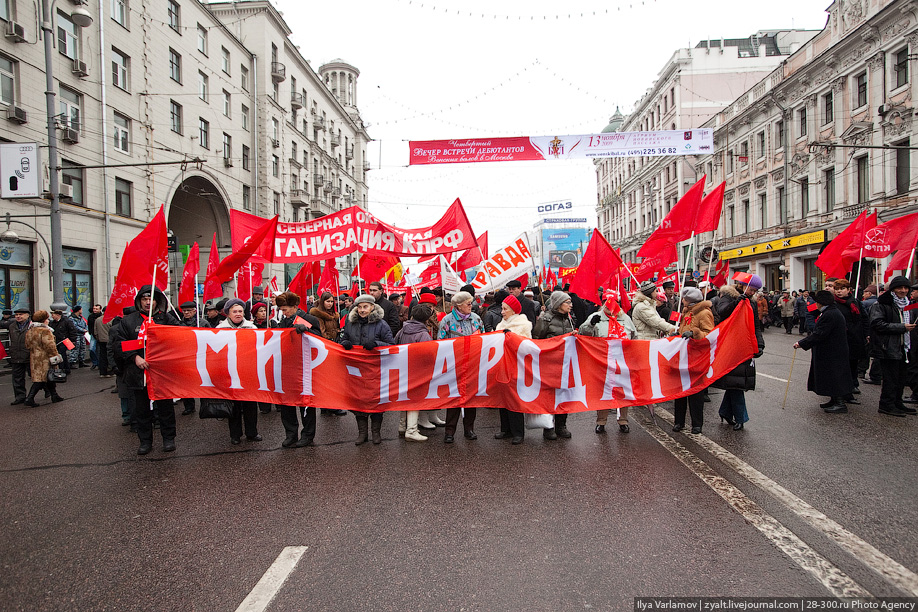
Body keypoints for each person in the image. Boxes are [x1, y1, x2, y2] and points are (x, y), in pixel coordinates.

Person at [113, 285, 181, 455]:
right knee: (141, 410)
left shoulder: (167, 319)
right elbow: (119, 343)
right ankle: (145, 441)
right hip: (138, 373)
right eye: (144, 299)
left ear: (157, 300)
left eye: (151, 299)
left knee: (165, 408)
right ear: (139, 301)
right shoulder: (128, 321)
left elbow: (179, 339)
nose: (147, 302)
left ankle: (168, 439)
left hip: (161, 373)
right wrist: (134, 357)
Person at [579, 290, 636, 434]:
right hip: (602, 361)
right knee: (603, 392)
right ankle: (601, 421)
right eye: (606, 303)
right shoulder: (595, 317)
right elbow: (582, 333)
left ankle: (623, 420)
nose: (610, 306)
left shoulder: (625, 318)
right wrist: (590, 325)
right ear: (603, 304)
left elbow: (635, 336)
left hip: (623, 361)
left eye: (613, 303)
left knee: (623, 391)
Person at [342, 293, 396, 444]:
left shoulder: (381, 324)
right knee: (358, 401)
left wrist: (376, 344)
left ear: (372, 307)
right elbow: (344, 338)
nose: (362, 310)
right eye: (359, 307)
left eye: (365, 307)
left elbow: (391, 345)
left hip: (375, 369)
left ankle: (376, 433)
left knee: (375, 401)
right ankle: (362, 433)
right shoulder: (350, 323)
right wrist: (345, 343)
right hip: (357, 369)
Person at [712, 279, 765, 429]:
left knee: (736, 382)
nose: (753, 293)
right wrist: (736, 303)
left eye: (755, 291)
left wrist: (760, 344)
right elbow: (721, 313)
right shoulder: (728, 296)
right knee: (736, 382)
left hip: (745, 345)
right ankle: (740, 417)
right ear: (743, 286)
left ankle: (726, 412)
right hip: (730, 344)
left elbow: (756, 325)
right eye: (751, 290)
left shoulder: (752, 302)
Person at [795, 290, 854, 413]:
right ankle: (833, 400)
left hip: (833, 351)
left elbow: (819, 334)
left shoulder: (830, 314)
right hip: (831, 350)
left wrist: (801, 343)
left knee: (835, 376)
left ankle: (840, 403)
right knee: (830, 376)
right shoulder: (830, 311)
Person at [437, 291, 485, 443]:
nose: (472, 306)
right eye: (468, 304)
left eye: (471, 303)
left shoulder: (476, 319)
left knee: (471, 399)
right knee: (454, 399)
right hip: (455, 365)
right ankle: (450, 431)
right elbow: (441, 342)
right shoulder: (447, 320)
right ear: (458, 306)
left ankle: (469, 429)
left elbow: (484, 337)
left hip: (473, 364)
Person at [866, 276, 916, 417]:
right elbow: (877, 324)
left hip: (905, 347)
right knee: (890, 379)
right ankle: (886, 405)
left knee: (901, 378)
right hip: (888, 347)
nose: (903, 290)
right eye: (900, 288)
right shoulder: (881, 304)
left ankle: (897, 402)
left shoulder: (908, 304)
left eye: (906, 288)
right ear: (893, 289)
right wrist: (902, 327)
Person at [216, 298, 262, 445]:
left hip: (247, 371)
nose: (238, 314)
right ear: (228, 314)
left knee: (250, 404)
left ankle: (252, 432)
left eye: (240, 311)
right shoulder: (220, 330)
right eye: (234, 311)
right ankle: (235, 435)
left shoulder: (251, 328)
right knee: (234, 406)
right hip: (229, 372)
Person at [533, 290, 577, 440]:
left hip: (565, 364)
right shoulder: (546, 319)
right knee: (550, 396)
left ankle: (561, 426)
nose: (571, 305)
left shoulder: (570, 319)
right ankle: (548, 427)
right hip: (549, 364)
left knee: (563, 395)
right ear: (559, 304)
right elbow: (537, 339)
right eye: (568, 302)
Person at [672, 287, 714, 433]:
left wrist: (694, 333)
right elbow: (683, 329)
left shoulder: (704, 313)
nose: (681, 300)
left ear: (689, 300)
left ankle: (697, 424)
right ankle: (679, 421)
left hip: (696, 357)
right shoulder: (686, 312)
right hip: (683, 355)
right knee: (680, 391)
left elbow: (709, 334)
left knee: (696, 392)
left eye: (683, 298)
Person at [494, 294, 532, 444]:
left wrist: (510, 337)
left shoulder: (523, 325)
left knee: (514, 400)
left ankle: (518, 432)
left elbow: (526, 346)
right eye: (502, 308)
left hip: (516, 366)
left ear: (513, 310)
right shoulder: (501, 324)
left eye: (505, 309)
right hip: (502, 365)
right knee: (502, 399)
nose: (502, 312)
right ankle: (506, 429)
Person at [394, 304, 435, 442]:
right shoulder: (423, 334)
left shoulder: (403, 330)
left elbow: (395, 344)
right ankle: (411, 430)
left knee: (405, 397)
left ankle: (402, 425)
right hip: (418, 371)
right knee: (415, 399)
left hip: (403, 368)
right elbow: (428, 354)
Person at [833, 279, 867, 404]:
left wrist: (866, 334)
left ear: (848, 290)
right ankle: (844, 393)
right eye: (837, 289)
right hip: (841, 339)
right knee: (843, 367)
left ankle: (852, 386)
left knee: (853, 364)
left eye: (842, 289)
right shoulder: (833, 303)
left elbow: (864, 318)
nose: (839, 291)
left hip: (855, 338)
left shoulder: (855, 302)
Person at [23, 310, 64, 406]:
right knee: (42, 379)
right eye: (47, 318)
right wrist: (55, 356)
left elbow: (27, 345)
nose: (48, 320)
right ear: (43, 320)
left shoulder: (30, 330)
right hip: (45, 358)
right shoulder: (45, 331)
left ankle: (54, 395)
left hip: (35, 357)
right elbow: (50, 346)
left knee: (48, 377)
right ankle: (30, 398)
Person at [1, 307, 31, 405]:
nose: (18, 316)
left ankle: (48, 390)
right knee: (17, 378)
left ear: (27, 315)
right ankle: (20, 396)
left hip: (30, 354)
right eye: (17, 315)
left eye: (21, 314)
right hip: (16, 354)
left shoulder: (33, 325)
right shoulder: (12, 326)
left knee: (36, 376)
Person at [49, 309, 78, 374]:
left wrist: (73, 340)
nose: (52, 316)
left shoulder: (67, 321)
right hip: (57, 341)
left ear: (58, 315)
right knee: (62, 355)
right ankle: (66, 368)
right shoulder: (53, 323)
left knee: (62, 354)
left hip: (65, 341)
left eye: (53, 314)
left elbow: (72, 331)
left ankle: (62, 369)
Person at [93, 308, 113, 378]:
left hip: (101, 340)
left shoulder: (98, 320)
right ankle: (109, 371)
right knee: (109, 356)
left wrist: (98, 337)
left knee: (102, 356)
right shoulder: (111, 319)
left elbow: (95, 331)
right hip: (109, 340)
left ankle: (102, 371)